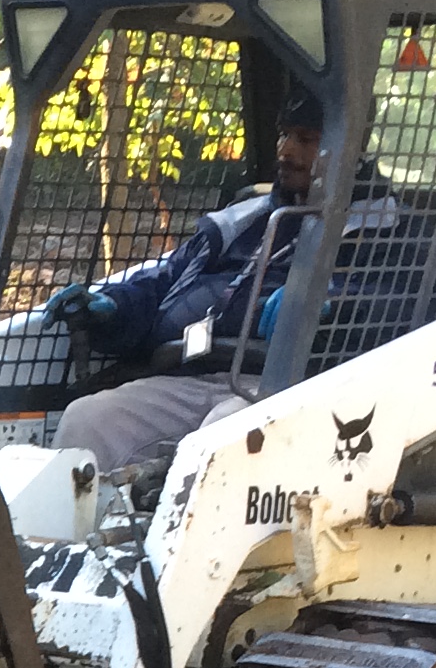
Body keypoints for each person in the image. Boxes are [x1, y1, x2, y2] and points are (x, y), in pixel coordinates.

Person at [45, 90, 330, 476]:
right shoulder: (242, 220)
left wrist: (329, 302)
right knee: (87, 420)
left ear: (350, 146)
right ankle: (76, 538)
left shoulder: (384, 228)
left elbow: (398, 304)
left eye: (306, 140)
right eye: (284, 135)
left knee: (222, 438)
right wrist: (111, 307)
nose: (286, 151)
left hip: (288, 386)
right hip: (190, 372)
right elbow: (165, 281)